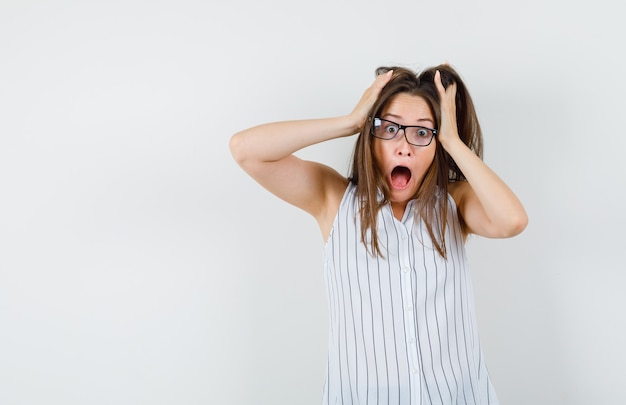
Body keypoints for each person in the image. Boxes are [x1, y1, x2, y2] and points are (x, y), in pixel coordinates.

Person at [229, 64, 527, 405]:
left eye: (421, 133)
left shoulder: (454, 203)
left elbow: (512, 221)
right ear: (370, 138)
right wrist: (351, 121)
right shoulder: (333, 200)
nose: (404, 147)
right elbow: (245, 150)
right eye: (389, 128)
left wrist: (451, 140)